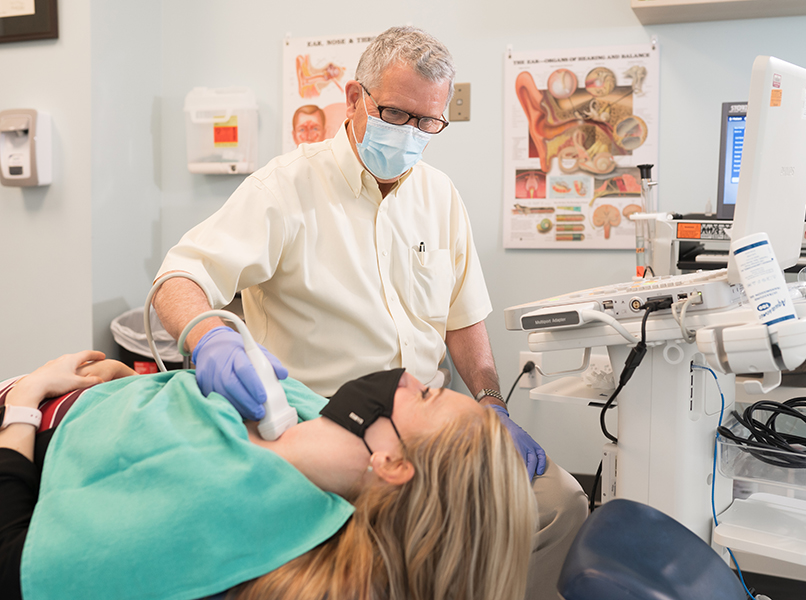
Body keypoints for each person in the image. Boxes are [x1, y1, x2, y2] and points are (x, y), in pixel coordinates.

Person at [153, 25, 588, 599]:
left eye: (429, 122)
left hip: (428, 425)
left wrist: (489, 403)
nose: (412, 134)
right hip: (331, 425)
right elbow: (178, 279)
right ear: (355, 99)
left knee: (560, 503)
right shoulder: (286, 188)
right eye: (398, 115)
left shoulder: (440, 196)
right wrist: (207, 333)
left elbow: (464, 321)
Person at [0, 351, 535, 600]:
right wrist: (128, 384)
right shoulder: (309, 412)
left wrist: (23, 403)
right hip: (70, 389)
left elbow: (13, 566)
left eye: (424, 394)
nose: (408, 376)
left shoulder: (226, 505)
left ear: (392, 463)